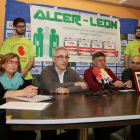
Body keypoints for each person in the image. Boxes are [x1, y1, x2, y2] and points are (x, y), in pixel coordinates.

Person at [40, 47, 89, 140]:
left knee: (77, 130)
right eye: (60, 57)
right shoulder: (46, 71)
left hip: (68, 109)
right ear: (53, 59)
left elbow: (85, 85)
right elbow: (50, 88)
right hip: (49, 111)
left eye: (66, 57)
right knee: (48, 134)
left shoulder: (71, 71)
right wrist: (73, 84)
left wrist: (68, 90)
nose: (64, 60)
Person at [84, 52, 124, 140]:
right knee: (103, 125)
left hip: (109, 103)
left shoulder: (108, 71)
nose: (103, 63)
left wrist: (120, 83)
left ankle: (105, 132)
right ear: (94, 62)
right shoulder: (88, 72)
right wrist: (110, 84)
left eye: (104, 61)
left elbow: (116, 81)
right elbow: (92, 86)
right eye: (100, 61)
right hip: (95, 104)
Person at [0, 53, 38, 140]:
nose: (14, 64)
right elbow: (1, 94)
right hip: (2, 115)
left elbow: (29, 88)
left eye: (16, 63)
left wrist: (32, 90)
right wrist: (23, 92)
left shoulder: (19, 78)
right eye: (10, 61)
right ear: (2, 64)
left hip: (19, 113)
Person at [0, 17, 36, 85]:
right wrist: (19, 72)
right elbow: (5, 59)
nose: (22, 28)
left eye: (23, 26)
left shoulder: (29, 42)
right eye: (19, 26)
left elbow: (32, 59)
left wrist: (25, 70)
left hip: (27, 77)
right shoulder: (8, 41)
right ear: (14, 27)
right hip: (13, 77)